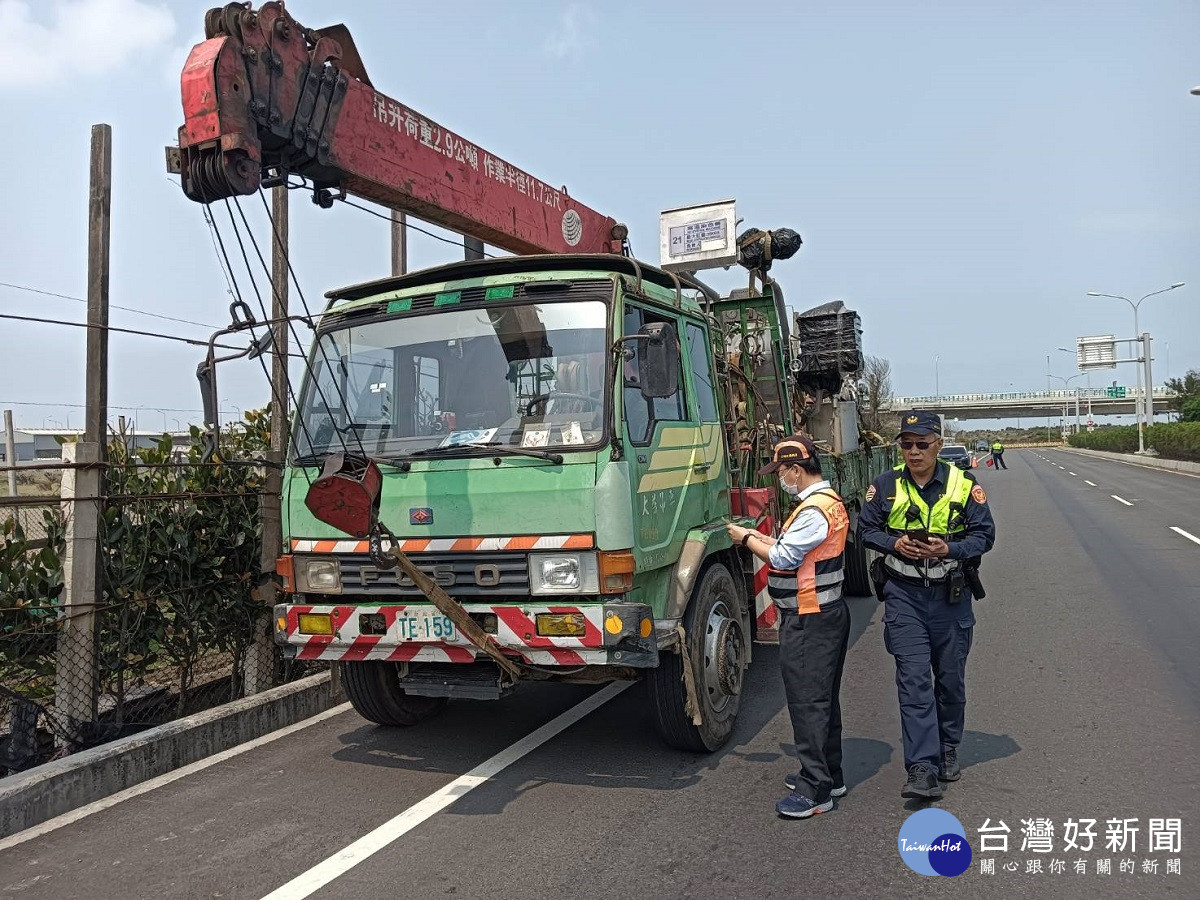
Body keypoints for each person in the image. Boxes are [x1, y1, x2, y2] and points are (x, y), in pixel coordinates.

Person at [859, 411, 996, 800]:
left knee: (949, 680)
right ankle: (921, 766)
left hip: (951, 597)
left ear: (938, 443)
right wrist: (894, 544)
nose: (914, 452)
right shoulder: (885, 485)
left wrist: (949, 548)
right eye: (906, 444)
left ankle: (948, 745)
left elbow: (985, 536)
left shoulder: (964, 485)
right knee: (914, 680)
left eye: (922, 444)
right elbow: (865, 530)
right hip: (904, 597)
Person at [725, 435, 850, 819]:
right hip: (824, 615)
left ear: (797, 469)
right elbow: (791, 547)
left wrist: (746, 538)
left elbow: (782, 555)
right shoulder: (825, 504)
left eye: (781, 471)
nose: (781, 478)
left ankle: (815, 790)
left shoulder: (814, 510)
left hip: (809, 619)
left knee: (808, 701)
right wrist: (763, 537)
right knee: (823, 698)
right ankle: (831, 773)